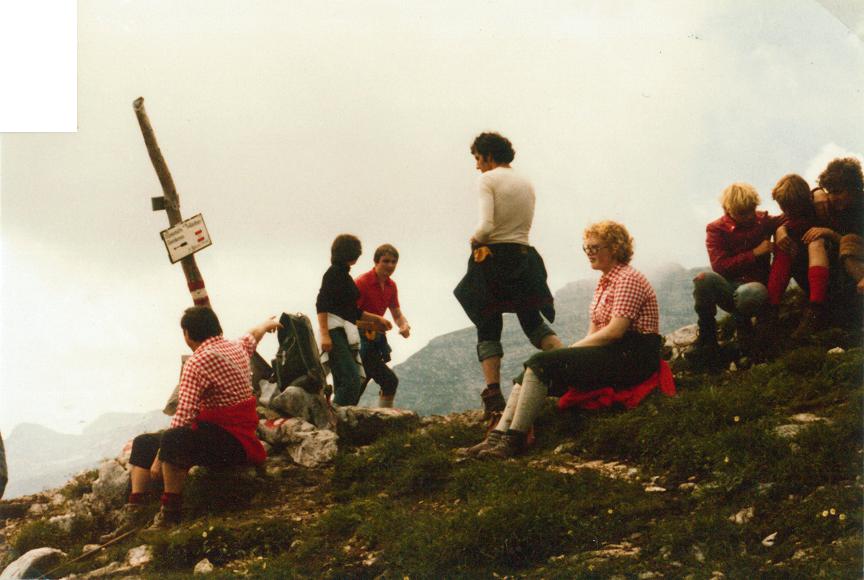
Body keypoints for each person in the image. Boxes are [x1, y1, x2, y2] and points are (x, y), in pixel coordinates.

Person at [467, 221, 663, 458]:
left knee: (542, 362)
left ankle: (515, 439)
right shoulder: (605, 282)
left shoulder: (627, 279)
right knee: (532, 368)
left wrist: (573, 350)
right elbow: (595, 332)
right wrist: (571, 355)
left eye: (595, 247)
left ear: (614, 248)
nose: (589, 253)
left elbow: (614, 332)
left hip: (634, 356)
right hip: (615, 352)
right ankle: (498, 436)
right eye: (586, 248)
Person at [111, 307, 281, 534]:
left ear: (187, 334)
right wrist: (266, 325)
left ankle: (170, 513)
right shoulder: (236, 347)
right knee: (144, 442)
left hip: (232, 442)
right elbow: (253, 334)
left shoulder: (197, 362)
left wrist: (160, 458)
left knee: (171, 438)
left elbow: (184, 415)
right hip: (234, 439)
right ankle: (135, 511)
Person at [454, 132, 563, 419]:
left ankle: (493, 396)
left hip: (493, 258)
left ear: (488, 155)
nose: (477, 165)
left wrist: (474, 239)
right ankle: (567, 367)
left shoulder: (487, 180)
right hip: (523, 256)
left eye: (478, 158)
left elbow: (487, 226)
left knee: (487, 322)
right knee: (532, 321)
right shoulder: (525, 182)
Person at [690, 182, 782, 357]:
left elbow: (788, 217)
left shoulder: (762, 220)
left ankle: (745, 336)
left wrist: (782, 230)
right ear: (728, 209)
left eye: (751, 210)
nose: (748, 217)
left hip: (757, 290)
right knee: (703, 279)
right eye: (742, 213)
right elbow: (720, 266)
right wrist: (754, 253)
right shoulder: (716, 229)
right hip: (729, 288)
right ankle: (707, 338)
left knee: (751, 292)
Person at [316, 234, 392, 406]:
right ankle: (335, 418)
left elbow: (352, 311)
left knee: (346, 380)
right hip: (335, 331)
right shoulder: (333, 273)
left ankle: (336, 417)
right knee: (351, 380)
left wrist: (377, 319)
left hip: (344, 330)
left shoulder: (344, 275)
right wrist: (325, 335)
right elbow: (321, 304)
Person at [766, 174, 830, 338]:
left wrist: (782, 227)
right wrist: (781, 229)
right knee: (784, 248)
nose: (788, 212)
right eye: (783, 208)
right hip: (811, 272)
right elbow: (780, 221)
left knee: (815, 241)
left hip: (832, 269)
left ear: (804, 200)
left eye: (791, 208)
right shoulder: (789, 218)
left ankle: (816, 309)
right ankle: (770, 311)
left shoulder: (820, 208)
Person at [355, 244, 411, 408]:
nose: (390, 266)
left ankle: (383, 418)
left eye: (394, 262)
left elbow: (397, 313)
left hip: (376, 341)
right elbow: (349, 316)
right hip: (359, 340)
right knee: (371, 382)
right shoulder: (362, 282)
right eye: (386, 261)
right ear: (376, 262)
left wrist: (404, 325)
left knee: (384, 382)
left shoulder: (391, 286)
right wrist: (376, 323)